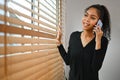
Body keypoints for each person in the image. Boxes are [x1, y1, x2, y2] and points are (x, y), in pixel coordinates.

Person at [56, 4, 111, 80]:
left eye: (92, 17)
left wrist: (98, 41)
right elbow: (68, 61)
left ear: (99, 23)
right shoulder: (74, 36)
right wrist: (59, 43)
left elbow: (95, 68)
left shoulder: (103, 41)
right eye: (86, 15)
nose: (87, 19)